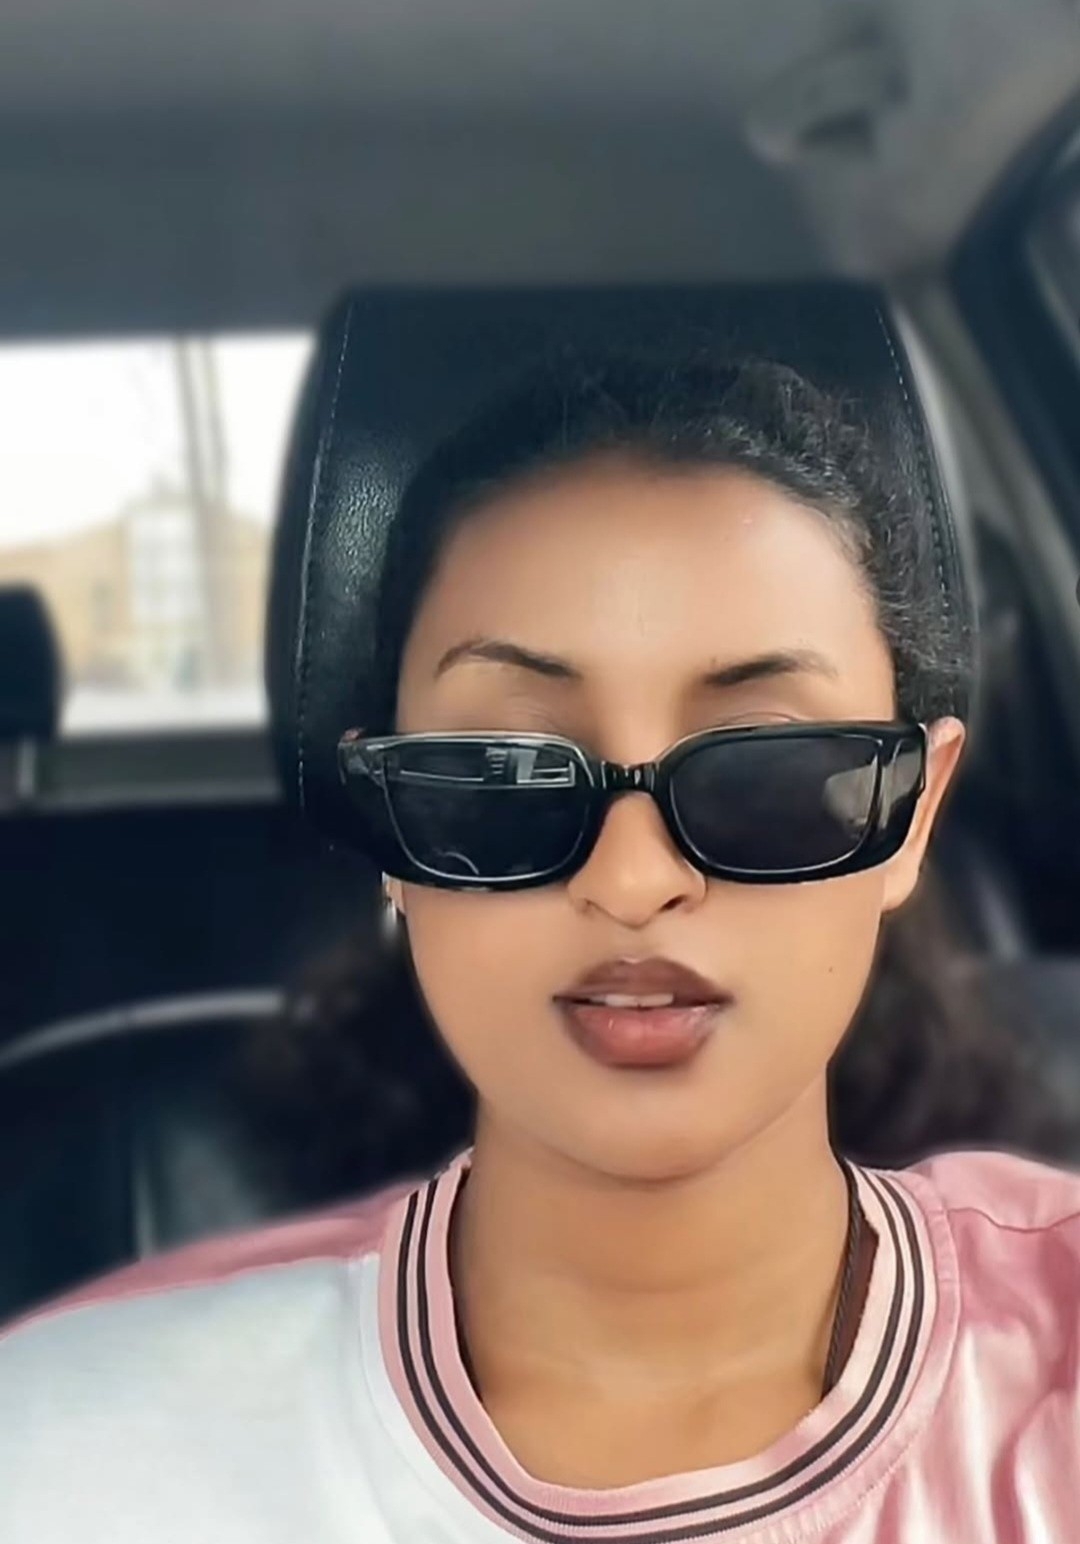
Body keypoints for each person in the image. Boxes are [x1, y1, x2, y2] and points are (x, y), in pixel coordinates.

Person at [2, 352, 1079, 1542]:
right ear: (394, 827)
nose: (632, 879)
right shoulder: (69, 1448)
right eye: (504, 774)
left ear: (910, 817)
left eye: (767, 771)